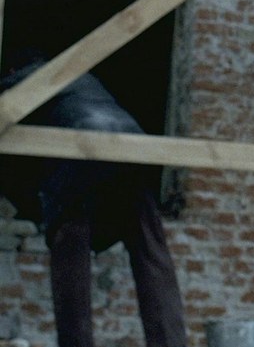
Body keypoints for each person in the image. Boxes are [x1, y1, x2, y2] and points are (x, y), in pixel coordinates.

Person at [0, 48, 187, 347]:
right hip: (133, 147)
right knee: (150, 249)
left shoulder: (19, 83)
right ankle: (171, 342)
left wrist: (34, 207)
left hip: (81, 150)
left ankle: (76, 343)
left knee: (70, 246)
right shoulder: (80, 75)